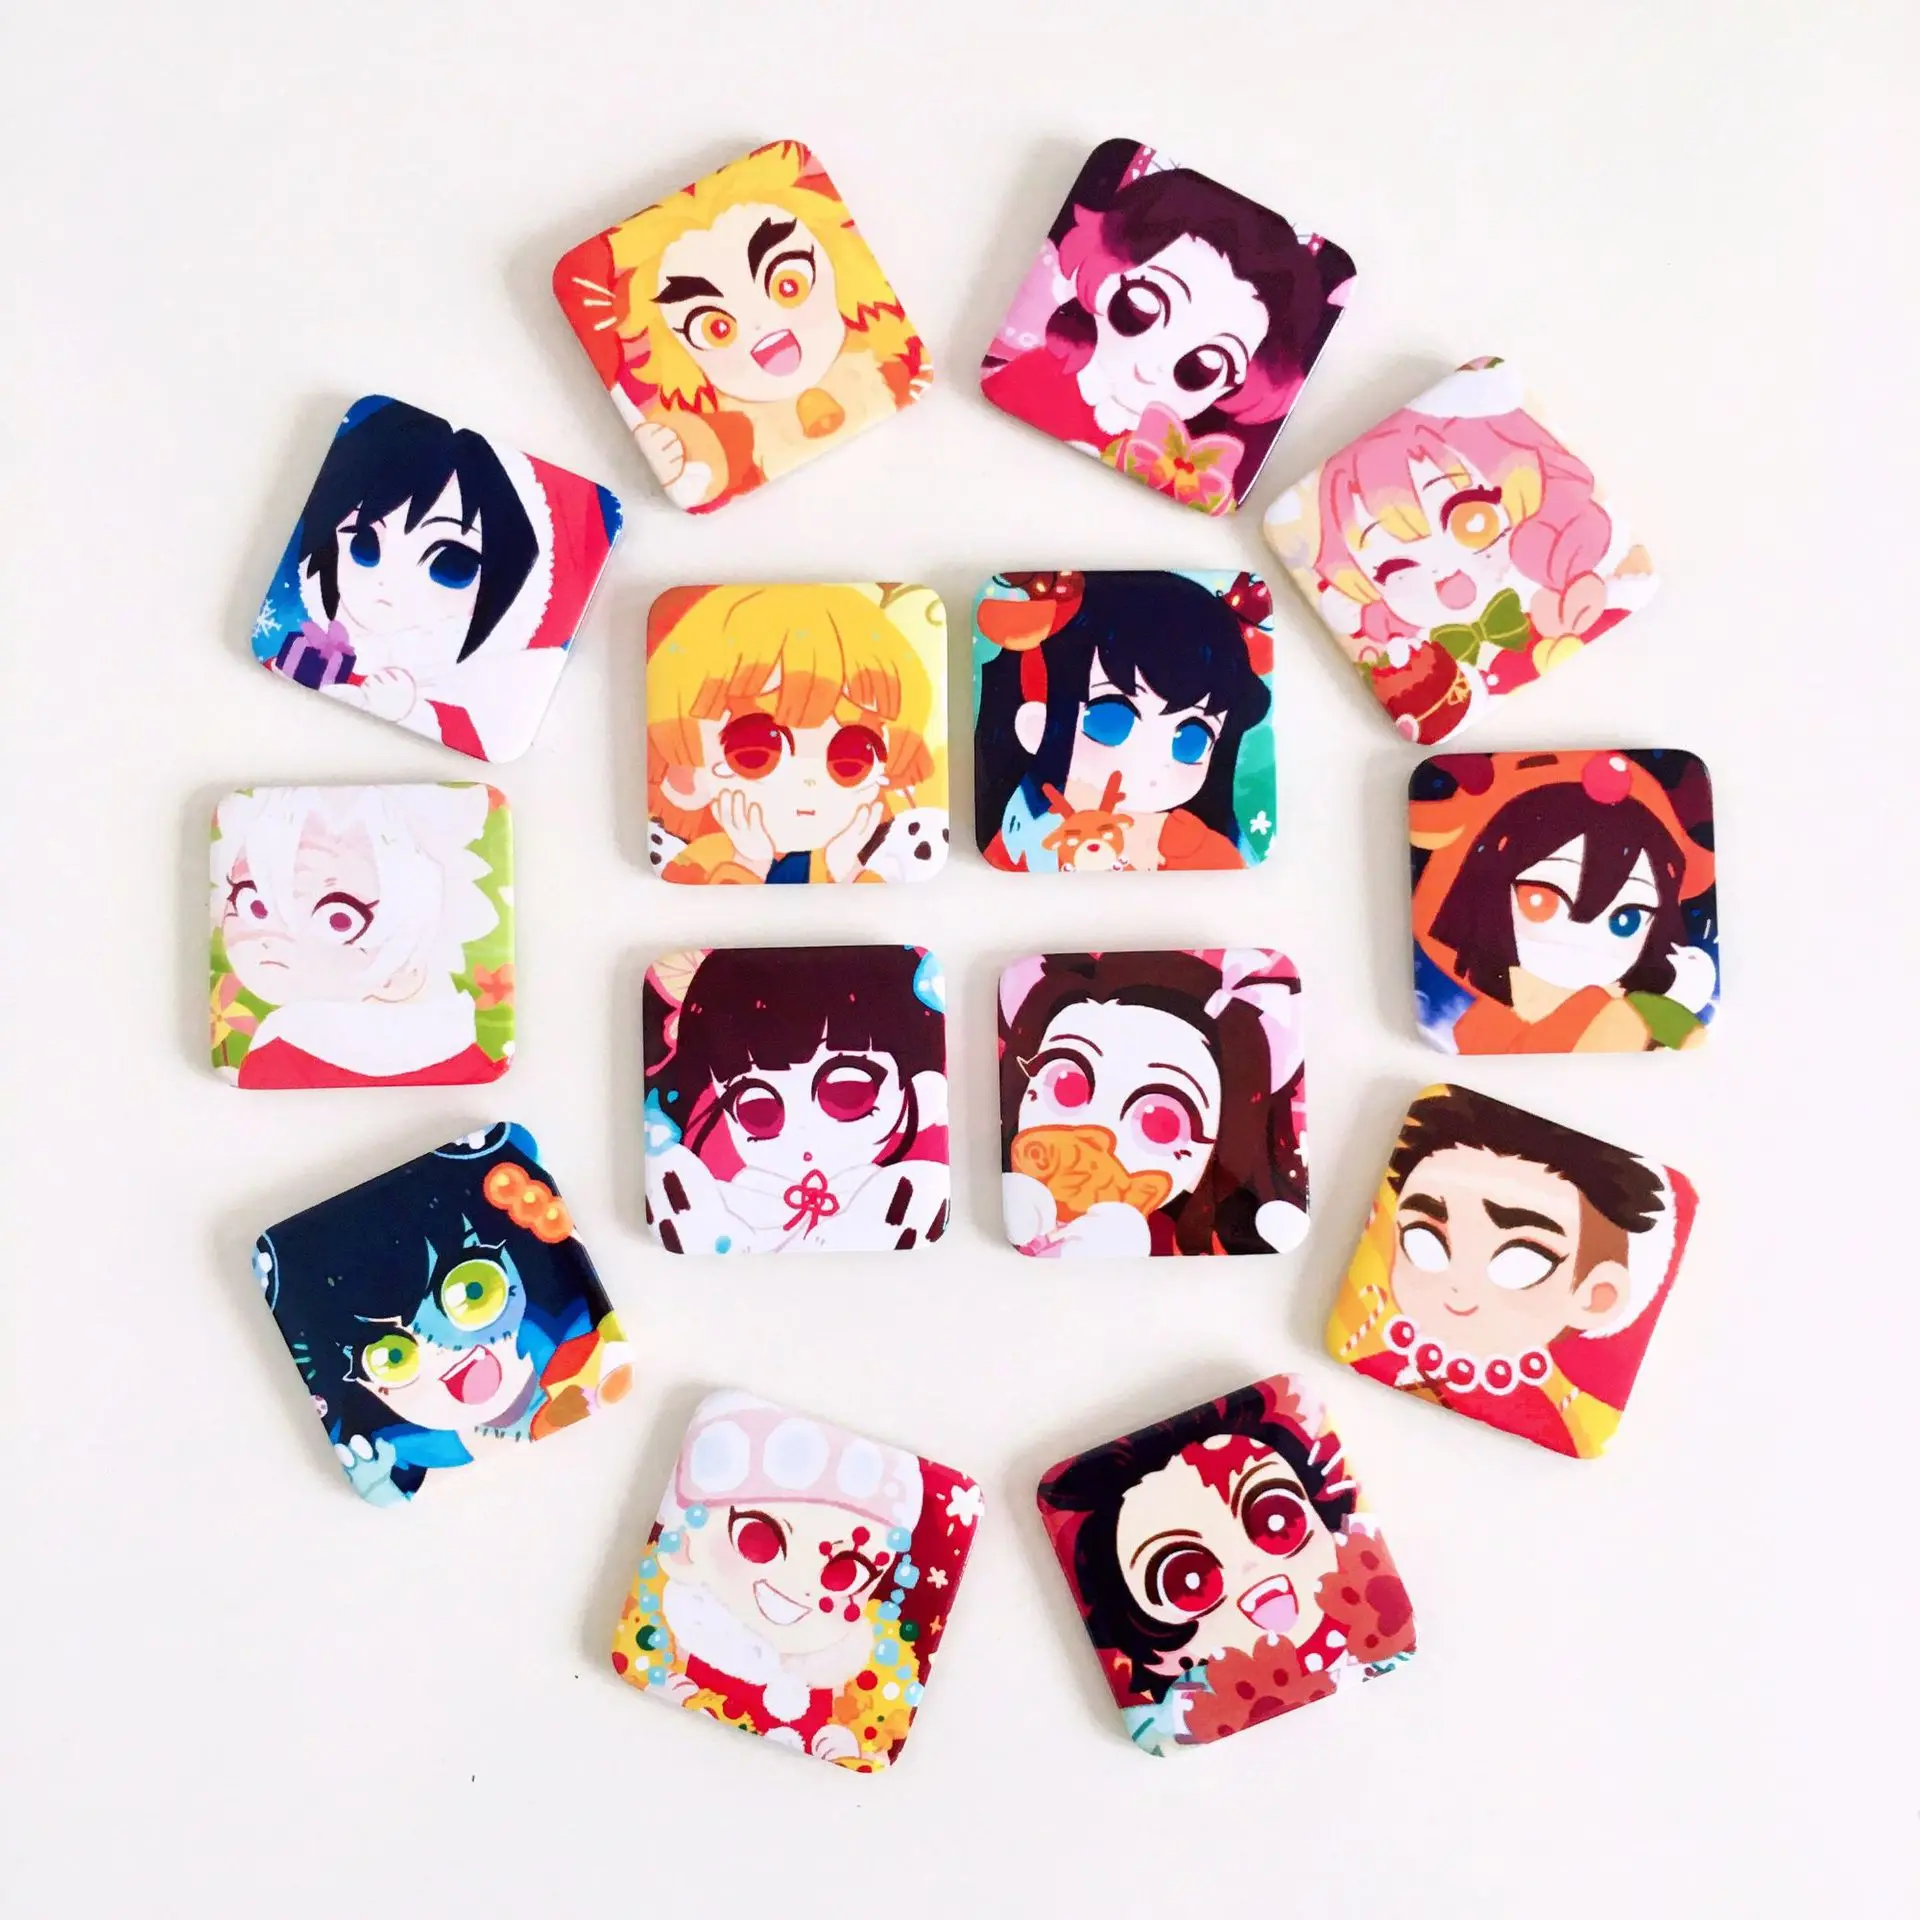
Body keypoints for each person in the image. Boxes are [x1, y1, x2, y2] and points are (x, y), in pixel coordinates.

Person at [1037, 1374, 1415, 1754]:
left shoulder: (1376, 1613)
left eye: (1275, 1520)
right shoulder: (1176, 1718)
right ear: (1144, 1630)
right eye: (1190, 1579)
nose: (1250, 1568)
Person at [255, 1124, 628, 1504]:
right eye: (392, 1356)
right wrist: (380, 1481)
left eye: (472, 1291)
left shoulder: (583, 1347)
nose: (443, 1351)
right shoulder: (411, 1453)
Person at [554, 141, 930, 512]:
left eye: (788, 285)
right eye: (716, 328)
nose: (761, 325)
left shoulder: (891, 359)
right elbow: (708, 467)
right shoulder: (721, 431)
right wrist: (680, 456)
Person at [981, 141, 1353, 513]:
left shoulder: (1195, 469)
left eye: (1205, 367)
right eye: (1140, 310)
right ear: (1105, 272)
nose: (1149, 368)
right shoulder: (1035, 378)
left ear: (1242, 383)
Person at [1330, 1084, 1695, 1456]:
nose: (1460, 1287)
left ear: (1597, 1297)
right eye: (1425, 1240)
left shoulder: (1567, 1422)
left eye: (1521, 1262)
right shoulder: (1363, 1351)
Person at [998, 949, 1308, 1256]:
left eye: (1161, 1123)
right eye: (1066, 1085)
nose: (1098, 1138)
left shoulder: (1200, 1244)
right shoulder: (1008, 1199)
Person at [644, 944, 949, 1253]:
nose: (803, 1128)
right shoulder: (719, 1203)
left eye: (846, 1092)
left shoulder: (904, 1198)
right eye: (758, 1109)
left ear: (921, 1091)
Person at [1412, 750, 1718, 1052]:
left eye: (1627, 920)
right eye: (1540, 901)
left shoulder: (1637, 1009)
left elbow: (1691, 1036)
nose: (1581, 940)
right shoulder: (1478, 1029)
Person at [211, 783, 507, 1088]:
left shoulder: (284, 1047)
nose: (274, 935)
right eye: (255, 904)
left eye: (339, 920)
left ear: (403, 971)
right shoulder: (468, 1054)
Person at [646, 583, 944, 884]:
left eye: (852, 758)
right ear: (689, 774)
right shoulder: (695, 864)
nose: (809, 782)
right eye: (755, 751)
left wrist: (846, 868)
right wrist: (749, 862)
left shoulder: (856, 864)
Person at [975, 570, 1272, 871]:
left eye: (1191, 739)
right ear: (1035, 725)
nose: (1150, 761)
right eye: (1111, 720)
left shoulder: (1201, 851)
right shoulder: (1021, 840)